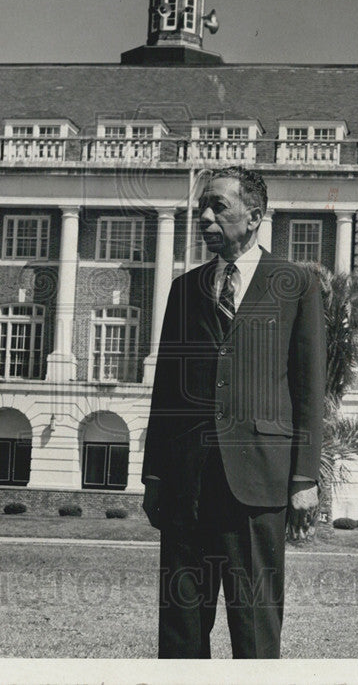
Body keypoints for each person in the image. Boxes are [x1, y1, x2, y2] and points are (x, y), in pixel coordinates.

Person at [142, 165, 326, 659]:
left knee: (256, 627)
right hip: (187, 483)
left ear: (254, 216)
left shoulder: (297, 284)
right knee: (180, 630)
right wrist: (155, 475)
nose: (204, 216)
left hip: (258, 481)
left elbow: (310, 389)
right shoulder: (185, 289)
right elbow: (166, 393)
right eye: (202, 206)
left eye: (218, 206)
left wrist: (304, 477)